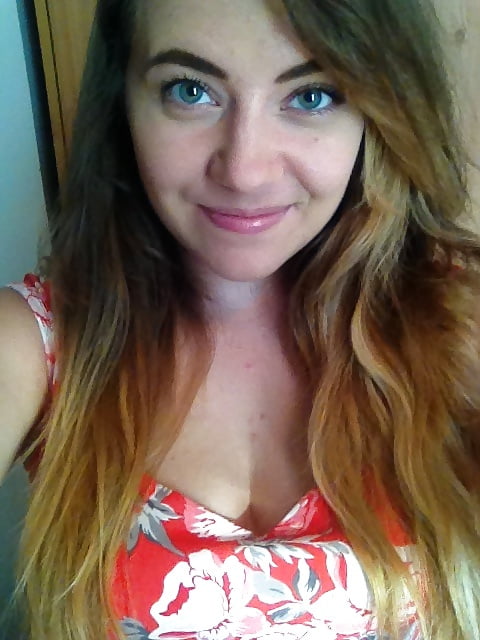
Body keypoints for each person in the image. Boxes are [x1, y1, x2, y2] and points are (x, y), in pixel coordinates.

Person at [1, 0, 479, 638]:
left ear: (378, 112)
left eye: (312, 96)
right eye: (190, 90)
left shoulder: (455, 322)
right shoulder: (36, 341)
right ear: (123, 103)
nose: (245, 172)